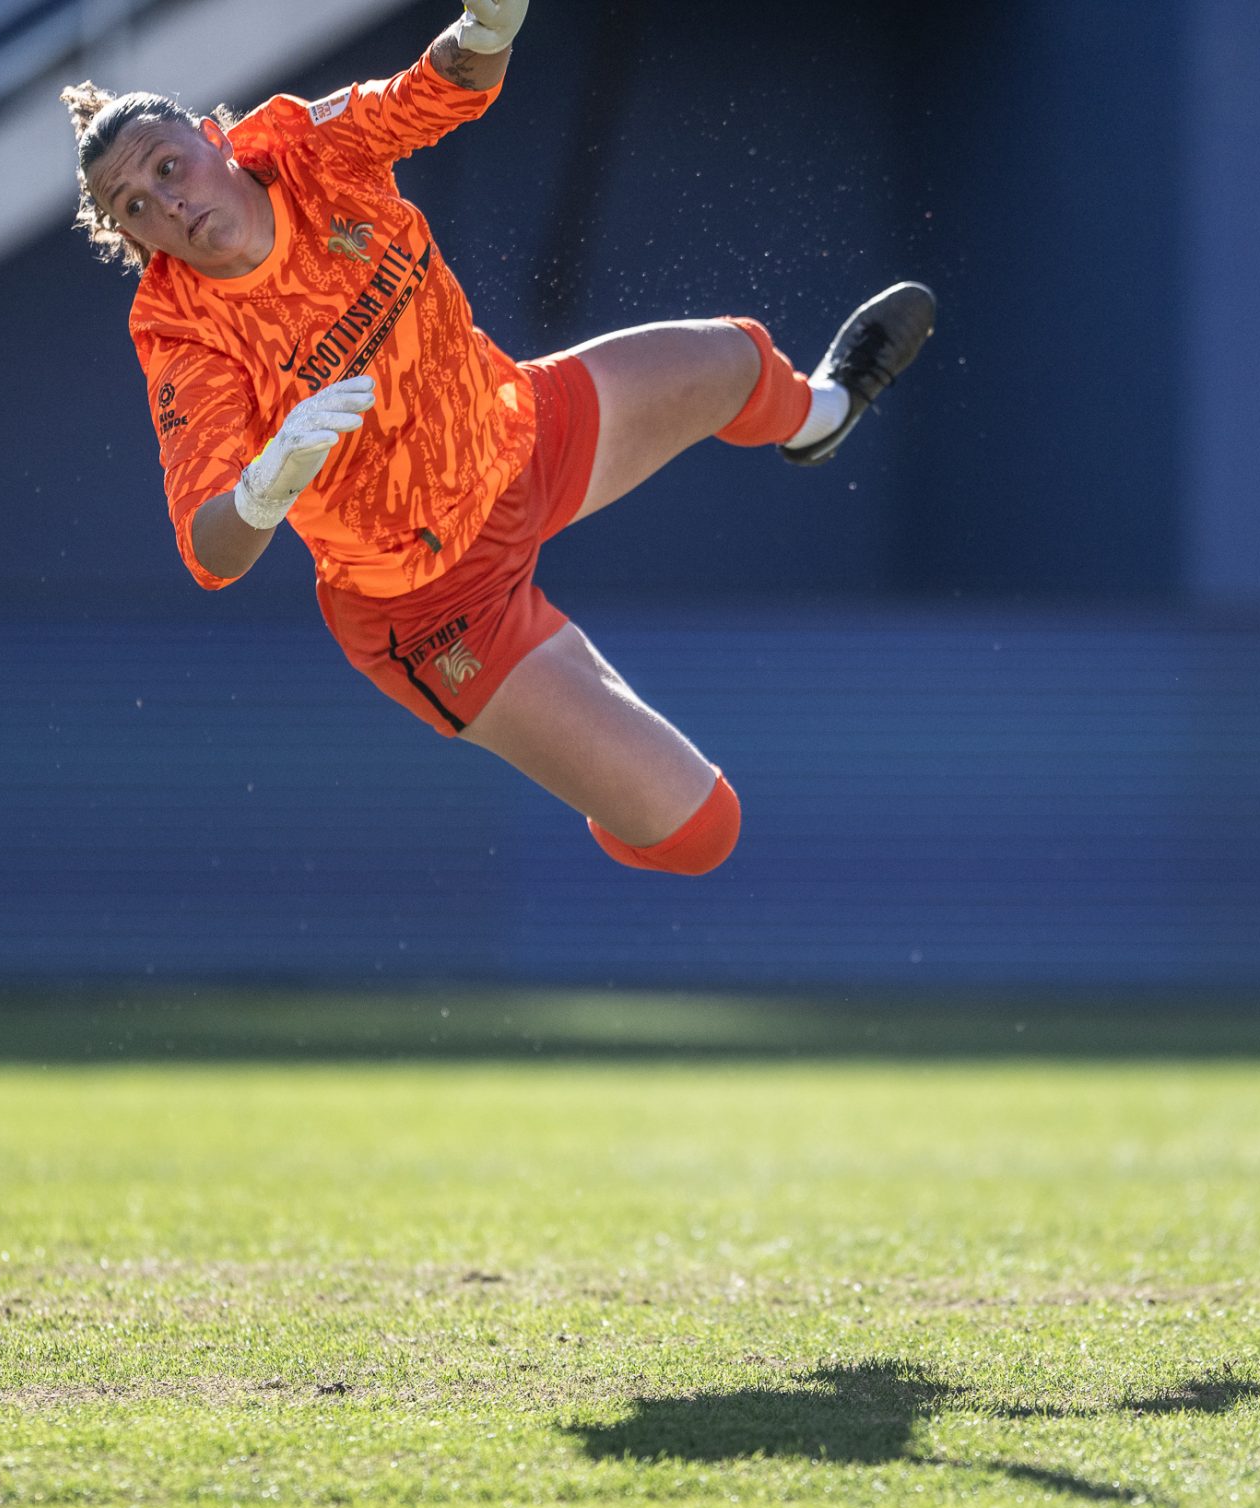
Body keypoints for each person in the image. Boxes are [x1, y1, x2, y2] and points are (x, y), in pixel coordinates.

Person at [62, 0, 934, 876]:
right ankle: (581, 759)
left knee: (739, 359)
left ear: (218, 139)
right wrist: (265, 487)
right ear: (130, 237)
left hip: (519, 432)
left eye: (172, 166)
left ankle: (824, 416)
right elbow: (212, 550)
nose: (169, 202)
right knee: (700, 830)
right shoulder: (181, 328)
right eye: (136, 205)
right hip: (432, 602)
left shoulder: (299, 146)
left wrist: (488, 26)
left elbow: (436, 90)